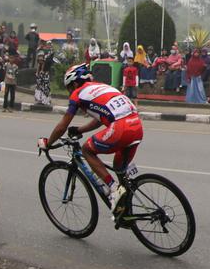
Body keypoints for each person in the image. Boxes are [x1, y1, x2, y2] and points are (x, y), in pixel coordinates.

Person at [38, 64, 143, 223]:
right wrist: (80, 129)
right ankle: (125, 211)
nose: (69, 93)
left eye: (69, 88)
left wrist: (48, 142)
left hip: (121, 127)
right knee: (119, 168)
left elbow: (62, 126)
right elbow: (101, 119)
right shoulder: (102, 87)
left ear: (74, 84)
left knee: (87, 150)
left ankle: (113, 190)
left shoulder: (77, 94)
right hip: (136, 125)